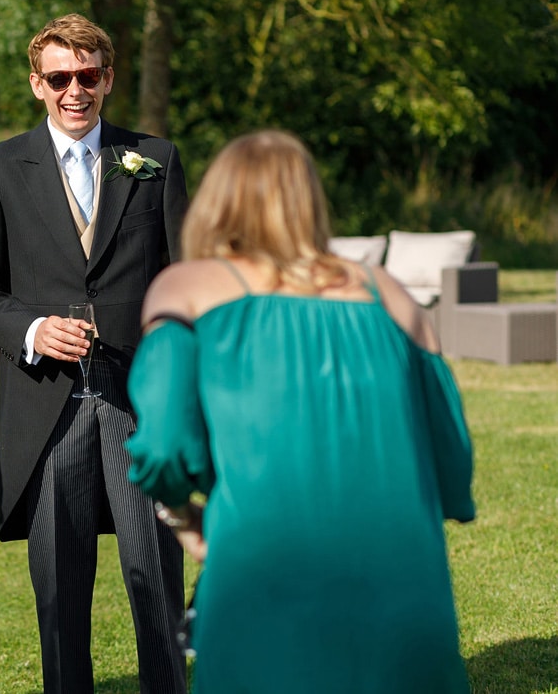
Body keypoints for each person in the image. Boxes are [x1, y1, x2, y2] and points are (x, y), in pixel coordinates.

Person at [124, 129, 475, 693]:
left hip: (262, 569)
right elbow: (453, 459)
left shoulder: (188, 288)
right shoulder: (391, 295)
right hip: (404, 575)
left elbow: (162, 444)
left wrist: (183, 519)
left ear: (218, 201)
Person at [0, 13, 190, 693]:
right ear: (37, 83)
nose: (74, 90)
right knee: (60, 594)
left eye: (88, 76)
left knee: (156, 580)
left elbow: (185, 280)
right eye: (59, 77)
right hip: (47, 404)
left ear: (108, 78)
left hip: (138, 403)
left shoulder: (156, 159)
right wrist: (32, 331)